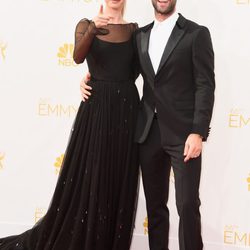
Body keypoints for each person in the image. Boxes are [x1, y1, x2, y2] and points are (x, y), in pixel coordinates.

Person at [0, 0, 140, 249]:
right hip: (96, 109)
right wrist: (93, 30)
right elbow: (77, 56)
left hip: (127, 111)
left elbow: (135, 71)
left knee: (118, 173)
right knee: (93, 173)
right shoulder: (85, 24)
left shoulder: (134, 30)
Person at [80, 0, 215, 249]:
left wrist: (198, 132)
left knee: (186, 204)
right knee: (155, 208)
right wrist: (91, 77)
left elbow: (205, 86)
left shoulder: (196, 33)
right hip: (147, 132)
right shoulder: (140, 34)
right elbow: (119, 68)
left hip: (184, 135)